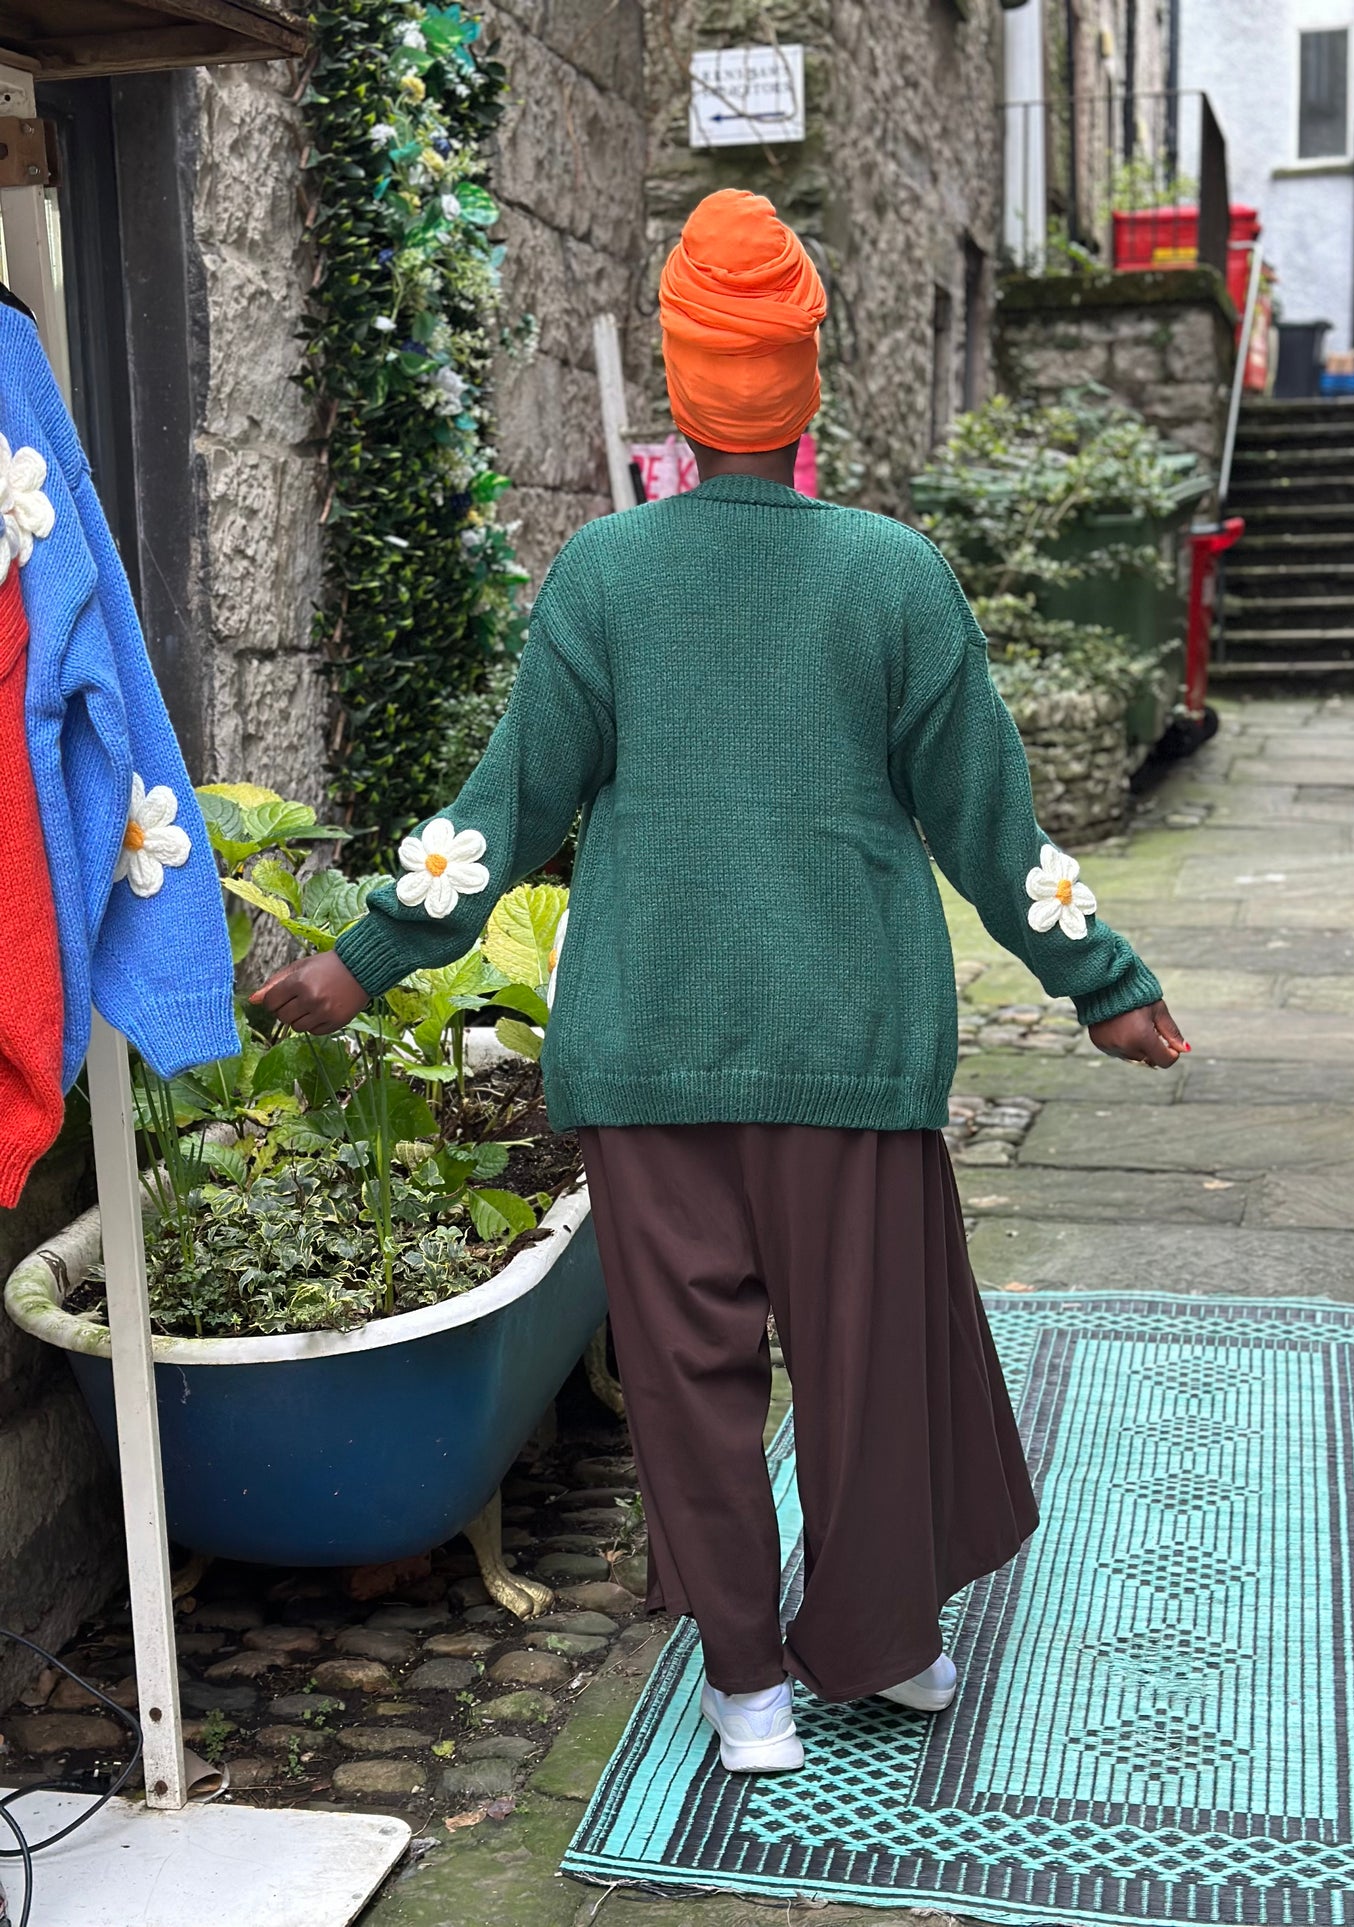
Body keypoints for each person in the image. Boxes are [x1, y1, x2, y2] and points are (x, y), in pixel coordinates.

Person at [254, 188, 1182, 1776]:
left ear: (681, 394)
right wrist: (1100, 983)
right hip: (847, 1046)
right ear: (807, 387)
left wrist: (366, 956)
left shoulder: (603, 575)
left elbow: (504, 810)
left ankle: (746, 1689)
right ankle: (881, 1642)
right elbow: (991, 826)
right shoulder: (895, 577)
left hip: (648, 1046)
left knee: (688, 1377)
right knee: (870, 1366)